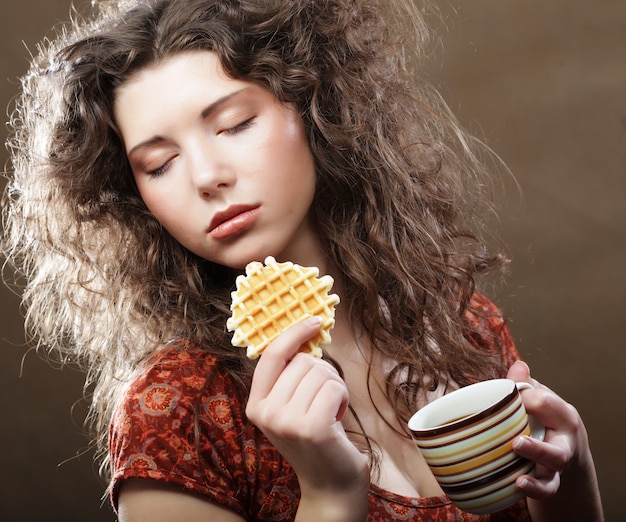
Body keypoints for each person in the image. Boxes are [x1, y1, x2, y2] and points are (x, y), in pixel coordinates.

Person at [2, 0, 603, 520]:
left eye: (234, 125)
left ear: (313, 108)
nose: (208, 176)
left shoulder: (458, 323)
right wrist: (327, 495)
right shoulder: (176, 411)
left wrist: (569, 476)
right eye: (159, 164)